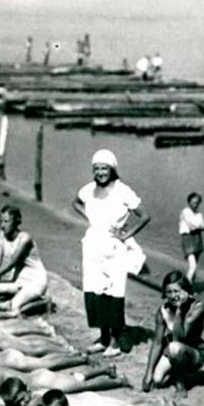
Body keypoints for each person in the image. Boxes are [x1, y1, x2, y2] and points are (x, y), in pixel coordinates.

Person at [73, 149, 150, 357]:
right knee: (94, 291)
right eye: (96, 168)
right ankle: (103, 337)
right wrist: (90, 218)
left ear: (112, 169)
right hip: (92, 247)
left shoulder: (123, 191)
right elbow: (76, 202)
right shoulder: (89, 189)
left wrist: (125, 235)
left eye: (104, 168)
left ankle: (115, 343)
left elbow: (144, 216)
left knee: (113, 294)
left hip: (114, 249)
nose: (100, 172)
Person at [143, 271, 204, 397]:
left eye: (176, 291)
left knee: (175, 347)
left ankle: (180, 383)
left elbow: (180, 336)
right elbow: (157, 343)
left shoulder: (198, 307)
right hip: (173, 351)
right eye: (169, 292)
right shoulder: (163, 311)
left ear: (185, 291)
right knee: (157, 380)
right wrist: (148, 373)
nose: (173, 296)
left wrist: (180, 310)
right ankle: (176, 371)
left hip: (194, 354)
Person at [0, 206, 48, 317]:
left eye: (6, 221)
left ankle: (42, 303)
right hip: (18, 279)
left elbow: (11, 263)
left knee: (13, 307)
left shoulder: (25, 238)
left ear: (16, 222)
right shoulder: (3, 235)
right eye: (0, 221)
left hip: (35, 281)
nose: (2, 225)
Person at [178, 192, 204, 283]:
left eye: (197, 202)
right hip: (188, 238)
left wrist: (200, 226)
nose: (195, 204)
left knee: (195, 265)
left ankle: (191, 284)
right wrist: (200, 226)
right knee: (193, 266)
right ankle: (186, 288)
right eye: (193, 202)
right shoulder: (185, 212)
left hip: (197, 238)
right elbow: (192, 227)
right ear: (189, 202)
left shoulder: (199, 214)